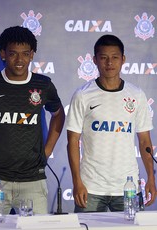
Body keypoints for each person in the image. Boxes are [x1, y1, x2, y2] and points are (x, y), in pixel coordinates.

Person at [0, 26, 65, 214]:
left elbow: (58, 115)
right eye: (13, 53)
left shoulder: (43, 85)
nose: (19, 60)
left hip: (33, 180)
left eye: (25, 54)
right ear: (3, 54)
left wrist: (47, 150)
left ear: (32, 55)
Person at [66, 34, 156, 212]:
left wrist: (151, 180)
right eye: (103, 57)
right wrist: (77, 182)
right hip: (90, 187)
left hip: (127, 187)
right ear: (95, 60)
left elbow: (145, 142)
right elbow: (73, 142)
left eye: (115, 57)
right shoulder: (83, 95)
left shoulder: (136, 95)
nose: (109, 63)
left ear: (123, 60)